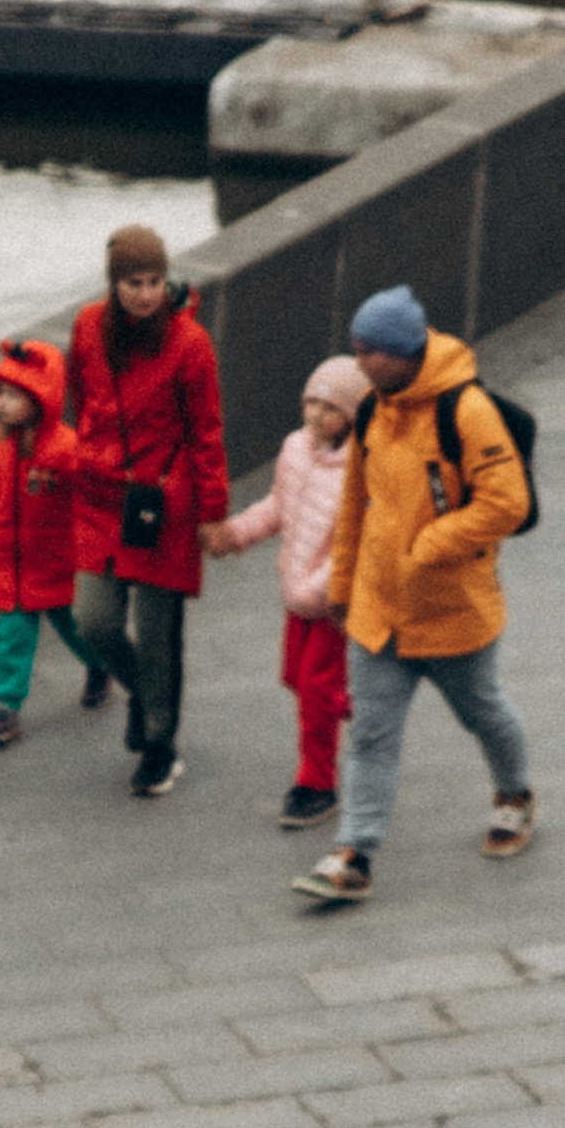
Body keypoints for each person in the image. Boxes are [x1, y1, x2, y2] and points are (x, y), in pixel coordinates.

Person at [292, 286, 535, 908]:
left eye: (366, 351)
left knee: (483, 713)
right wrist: (343, 587)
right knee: (371, 737)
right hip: (380, 612)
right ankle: (353, 855)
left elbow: (508, 502)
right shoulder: (373, 411)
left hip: (452, 612)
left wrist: (433, 542)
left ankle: (514, 794)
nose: (358, 361)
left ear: (400, 353)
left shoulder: (466, 410)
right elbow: (356, 505)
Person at [67, 223, 228, 801]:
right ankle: (144, 695)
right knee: (95, 622)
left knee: (159, 635)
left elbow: (206, 431)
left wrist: (211, 511)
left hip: (164, 502)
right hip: (103, 498)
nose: (145, 294)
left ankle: (160, 744)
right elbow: (80, 398)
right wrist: (88, 455)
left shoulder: (189, 343)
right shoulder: (88, 326)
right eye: (134, 282)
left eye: (155, 281)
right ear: (114, 283)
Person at [203, 353, 370, 826]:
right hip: (297, 592)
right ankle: (352, 702)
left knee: (314, 688)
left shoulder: (361, 468)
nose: (317, 414)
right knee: (296, 677)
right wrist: (236, 533)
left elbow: (357, 543)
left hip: (331, 602)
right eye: (312, 402)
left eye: (331, 407)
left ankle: (316, 783)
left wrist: (321, 590)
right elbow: (277, 506)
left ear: (352, 415)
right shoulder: (295, 448)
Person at [0, 338, 86, 751]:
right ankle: (6, 706)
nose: (3, 402)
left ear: (41, 399)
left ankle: (101, 664)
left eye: (15, 395)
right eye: (1, 392)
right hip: (10, 561)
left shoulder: (65, 447)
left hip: (55, 560)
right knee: (13, 634)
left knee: (75, 627)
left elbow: (89, 495)